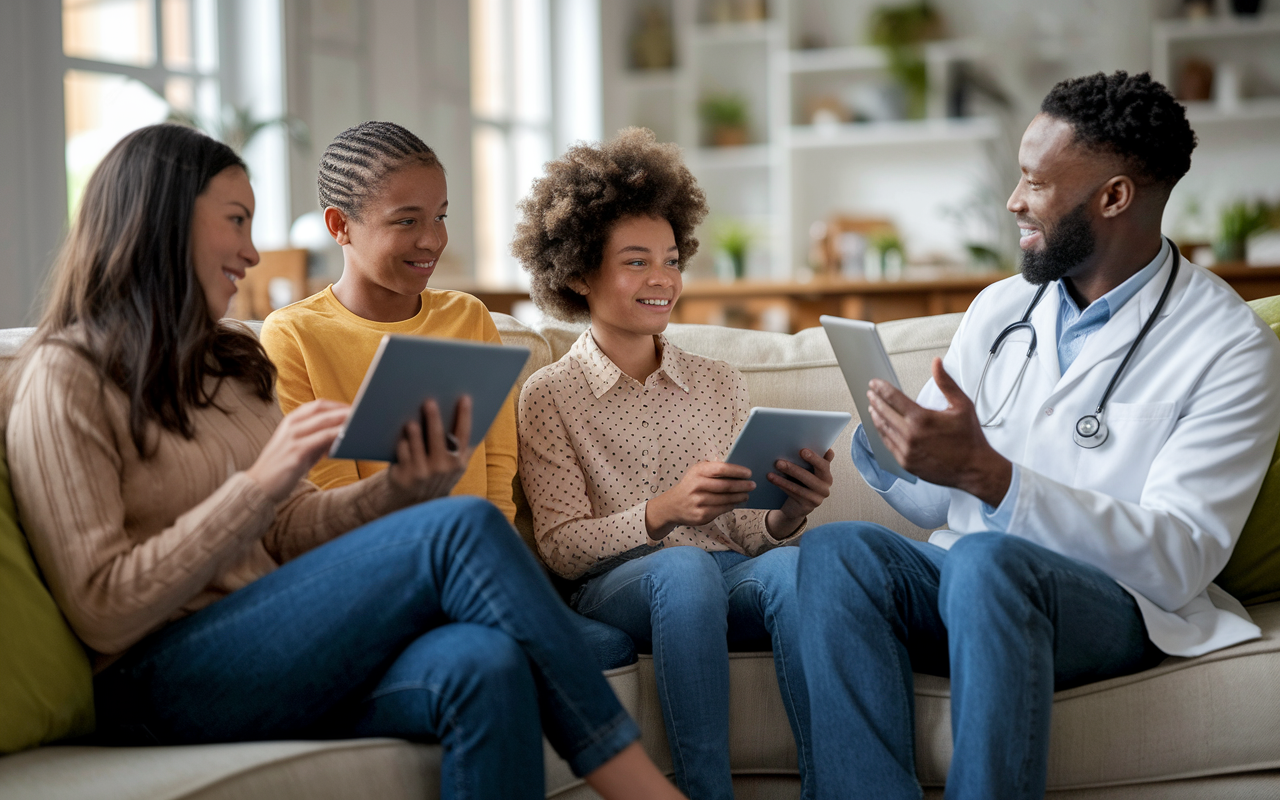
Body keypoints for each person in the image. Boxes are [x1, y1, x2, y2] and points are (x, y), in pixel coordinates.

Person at [2, 123, 684, 800]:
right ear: (159, 224)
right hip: (156, 677)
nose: (250, 251)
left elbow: (289, 526)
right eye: (236, 223)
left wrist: (396, 490)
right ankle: (643, 791)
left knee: (485, 660)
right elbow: (102, 609)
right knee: (461, 525)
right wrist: (257, 485)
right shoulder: (67, 377)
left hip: (280, 646)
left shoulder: (225, 364)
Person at [796, 71, 1280, 800]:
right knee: (839, 552)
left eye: (1034, 182)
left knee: (990, 562)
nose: (1013, 201)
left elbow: (1180, 558)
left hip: (1117, 606)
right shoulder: (1000, 309)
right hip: (964, 577)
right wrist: (898, 444)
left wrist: (996, 478)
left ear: (1114, 197)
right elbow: (933, 506)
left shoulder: (1228, 344)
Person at [512, 127, 835, 800]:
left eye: (669, 258)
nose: (662, 278)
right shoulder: (550, 394)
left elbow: (745, 530)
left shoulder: (720, 382)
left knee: (800, 565)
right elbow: (563, 549)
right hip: (620, 589)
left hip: (728, 574)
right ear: (577, 273)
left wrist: (787, 513)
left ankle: (831, 785)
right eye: (635, 262)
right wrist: (662, 513)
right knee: (685, 569)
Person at [260, 121, 516, 523]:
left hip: (475, 547)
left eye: (440, 217)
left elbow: (498, 470)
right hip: (379, 556)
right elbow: (329, 499)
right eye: (406, 221)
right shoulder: (294, 335)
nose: (432, 240)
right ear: (339, 226)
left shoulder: (468, 317)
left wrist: (502, 551)